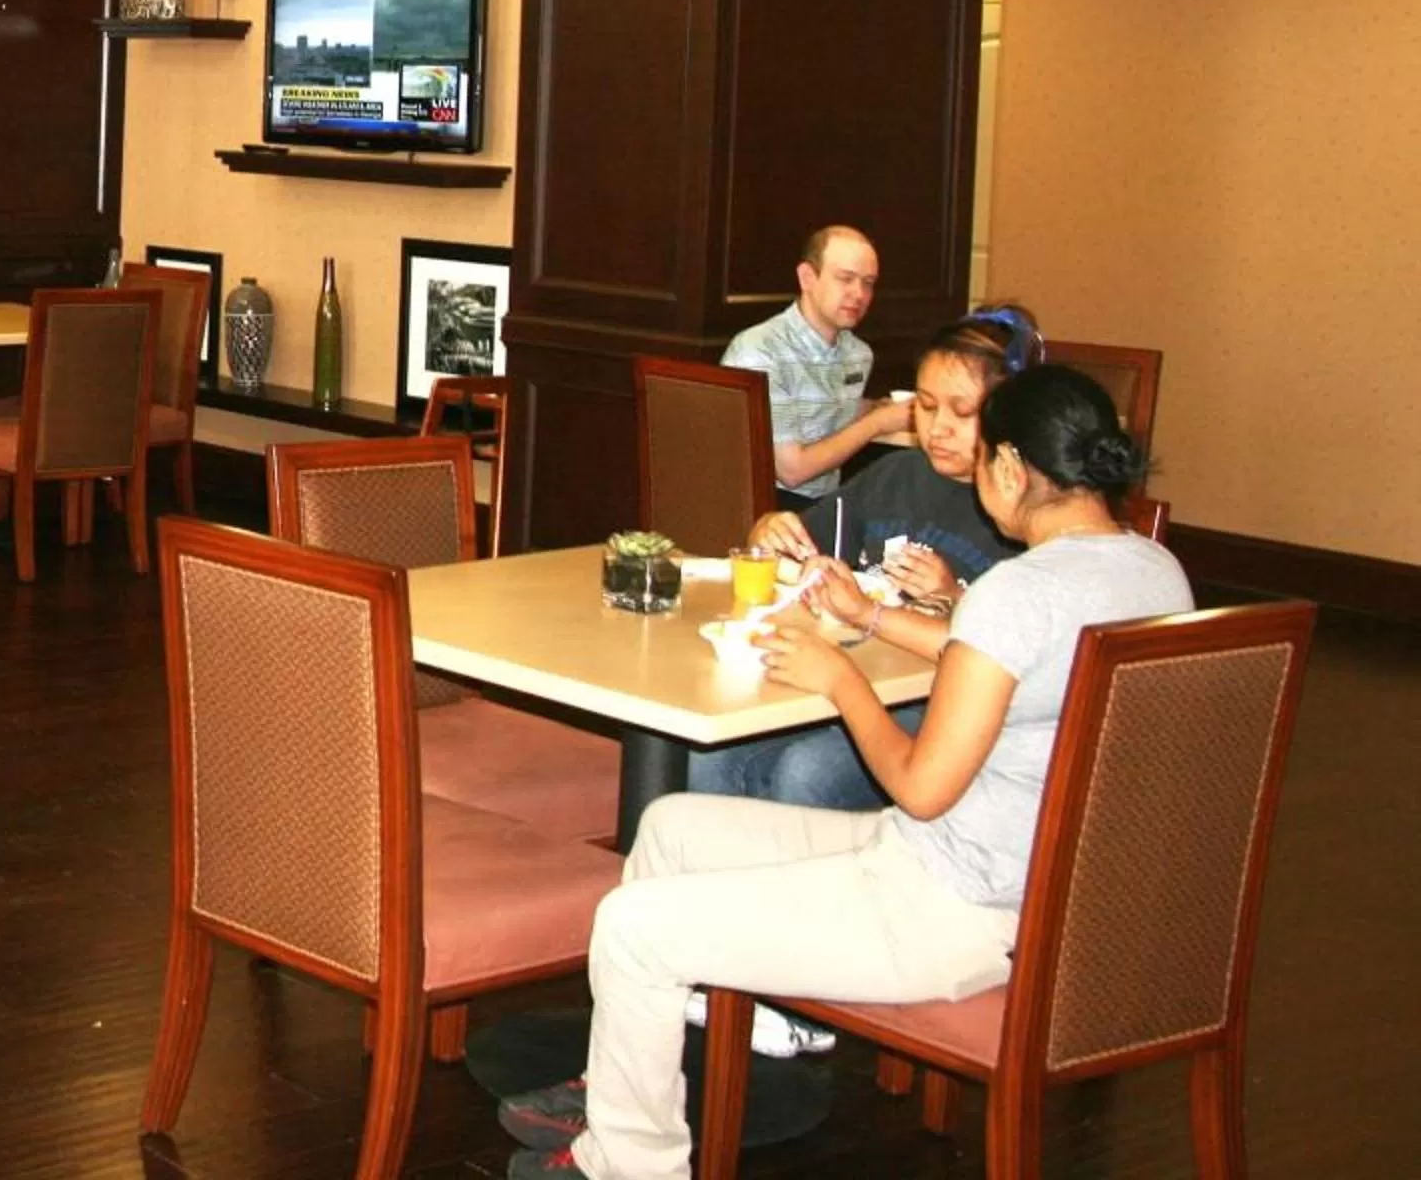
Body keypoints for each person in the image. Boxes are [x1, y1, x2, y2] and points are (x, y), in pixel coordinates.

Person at [494, 364, 1193, 1179]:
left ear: (1011, 467)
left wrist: (839, 678)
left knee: (631, 927)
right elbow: (996, 683)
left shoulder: (1018, 592)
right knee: (671, 828)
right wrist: (873, 623)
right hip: (1030, 883)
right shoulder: (1156, 574)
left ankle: (630, 1166)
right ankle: (630, 1098)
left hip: (962, 907)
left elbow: (922, 787)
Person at [693, 304, 1043, 813]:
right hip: (855, 670)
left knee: (806, 772)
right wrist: (768, 530)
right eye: (924, 406)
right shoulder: (896, 475)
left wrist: (951, 594)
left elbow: (1015, 646)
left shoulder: (1019, 511)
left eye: (961, 412)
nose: (938, 427)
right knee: (712, 754)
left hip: (939, 701)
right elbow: (807, 543)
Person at [722, 225, 907, 509]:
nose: (859, 294)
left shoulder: (858, 354)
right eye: (846, 279)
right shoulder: (760, 351)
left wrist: (876, 408)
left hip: (826, 503)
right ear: (807, 277)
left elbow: (828, 412)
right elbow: (792, 472)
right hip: (760, 507)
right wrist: (877, 423)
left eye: (868, 283)